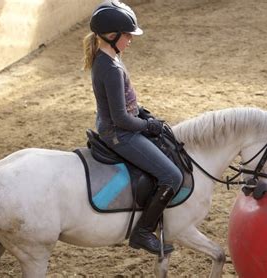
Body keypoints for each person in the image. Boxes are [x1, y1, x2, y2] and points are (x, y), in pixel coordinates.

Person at [82, 0, 182, 255]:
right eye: (127, 35)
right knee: (173, 176)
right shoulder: (111, 69)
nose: (131, 39)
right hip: (120, 134)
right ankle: (142, 232)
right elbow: (121, 120)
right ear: (112, 35)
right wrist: (148, 126)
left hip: (118, 125)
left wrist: (143, 113)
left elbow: (124, 105)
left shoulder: (108, 58)